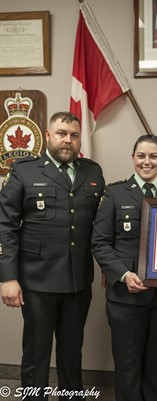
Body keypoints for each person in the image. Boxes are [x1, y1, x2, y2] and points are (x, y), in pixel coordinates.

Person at [0, 111, 105, 400]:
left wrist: (110, 265)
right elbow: (5, 224)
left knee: (72, 354)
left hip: (77, 282)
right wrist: (8, 277)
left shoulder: (92, 171)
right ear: (48, 136)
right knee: (36, 355)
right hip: (37, 283)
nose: (67, 140)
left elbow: (101, 226)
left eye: (73, 135)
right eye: (61, 133)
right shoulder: (25, 170)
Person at [92, 134, 157, 401]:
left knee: (156, 367)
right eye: (141, 156)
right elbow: (99, 242)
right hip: (126, 297)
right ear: (133, 158)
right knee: (127, 366)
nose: (147, 162)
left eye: (153, 156)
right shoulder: (114, 192)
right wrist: (122, 274)